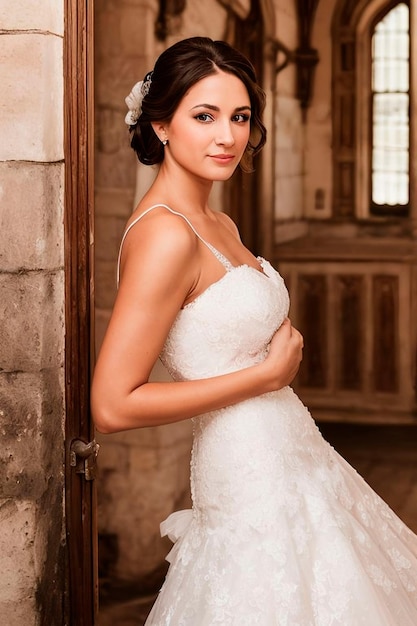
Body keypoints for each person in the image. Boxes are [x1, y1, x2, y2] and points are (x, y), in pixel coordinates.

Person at [91, 37, 417, 625]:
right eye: (204, 116)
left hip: (293, 456)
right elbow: (113, 405)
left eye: (239, 117)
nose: (227, 136)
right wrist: (263, 376)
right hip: (246, 479)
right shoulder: (166, 234)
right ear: (160, 125)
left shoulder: (216, 219)